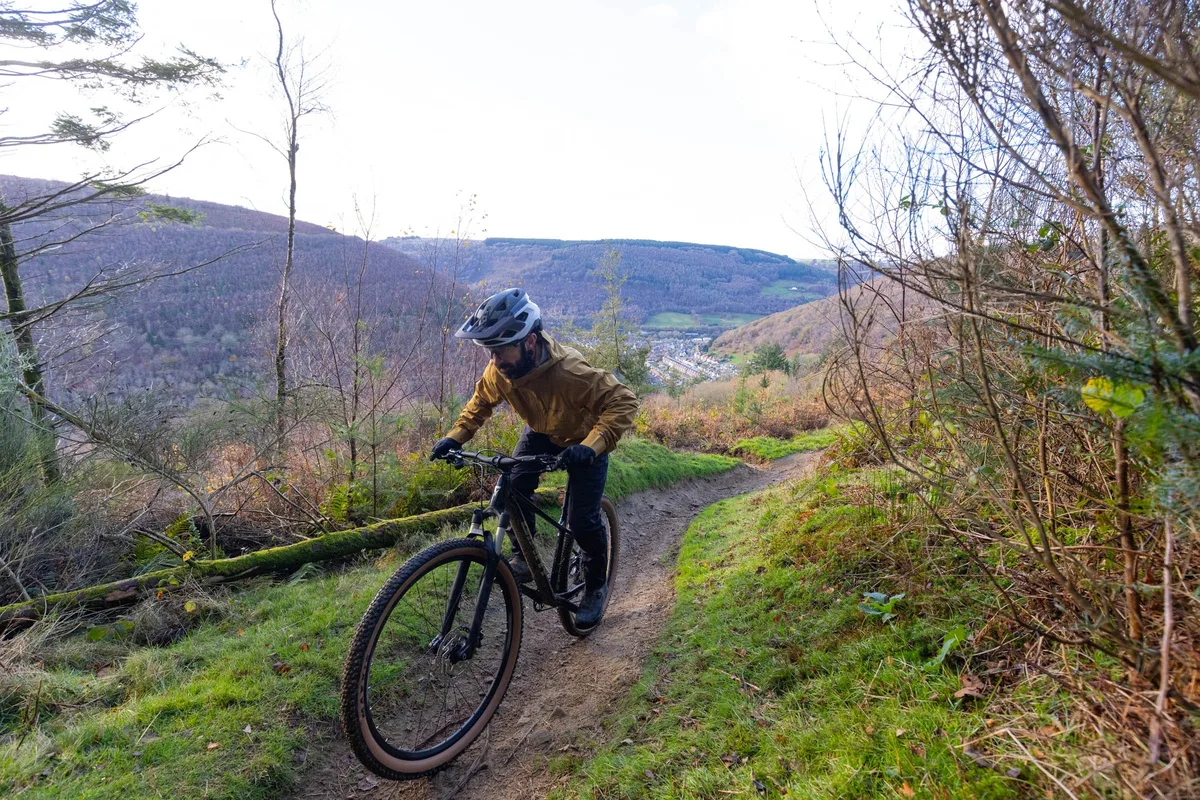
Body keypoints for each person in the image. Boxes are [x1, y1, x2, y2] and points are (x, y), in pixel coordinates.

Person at [430, 288, 639, 627]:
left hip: (584, 440)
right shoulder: (501, 371)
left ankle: (595, 585)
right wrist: (454, 437)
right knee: (508, 490)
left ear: (529, 341)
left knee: (581, 521)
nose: (495, 361)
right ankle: (525, 558)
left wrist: (590, 447)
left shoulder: (571, 372)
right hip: (541, 432)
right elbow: (480, 404)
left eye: (501, 351)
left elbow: (624, 401)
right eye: (490, 352)